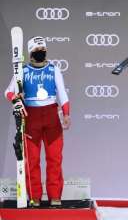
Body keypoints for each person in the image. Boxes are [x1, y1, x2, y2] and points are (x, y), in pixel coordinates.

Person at [4, 36, 70, 207]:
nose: (41, 53)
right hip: (31, 118)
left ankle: (55, 196)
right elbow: (8, 92)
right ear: (31, 53)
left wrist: (66, 114)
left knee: (54, 159)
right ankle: (34, 197)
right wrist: (15, 99)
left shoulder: (54, 69)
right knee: (32, 161)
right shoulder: (22, 71)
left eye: (43, 51)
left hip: (51, 118)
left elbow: (62, 93)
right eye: (37, 51)